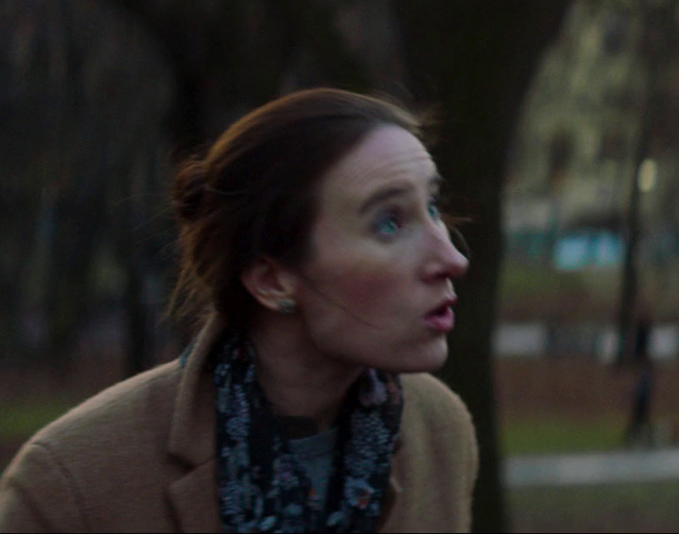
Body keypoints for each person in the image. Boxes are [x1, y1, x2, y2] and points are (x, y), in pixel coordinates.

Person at [0, 88, 477, 531]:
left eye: (431, 207)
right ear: (271, 280)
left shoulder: (439, 432)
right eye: (389, 222)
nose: (452, 259)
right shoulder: (71, 485)